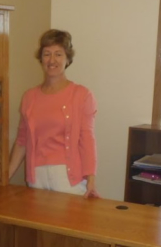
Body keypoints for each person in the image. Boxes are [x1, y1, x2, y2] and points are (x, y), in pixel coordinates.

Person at [8, 29, 99, 198]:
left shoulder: (82, 95)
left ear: (67, 59)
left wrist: (91, 177)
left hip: (69, 180)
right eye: (47, 54)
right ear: (41, 58)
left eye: (58, 54)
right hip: (36, 179)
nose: (52, 60)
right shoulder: (29, 97)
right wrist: (5, 177)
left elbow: (87, 138)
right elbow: (22, 141)